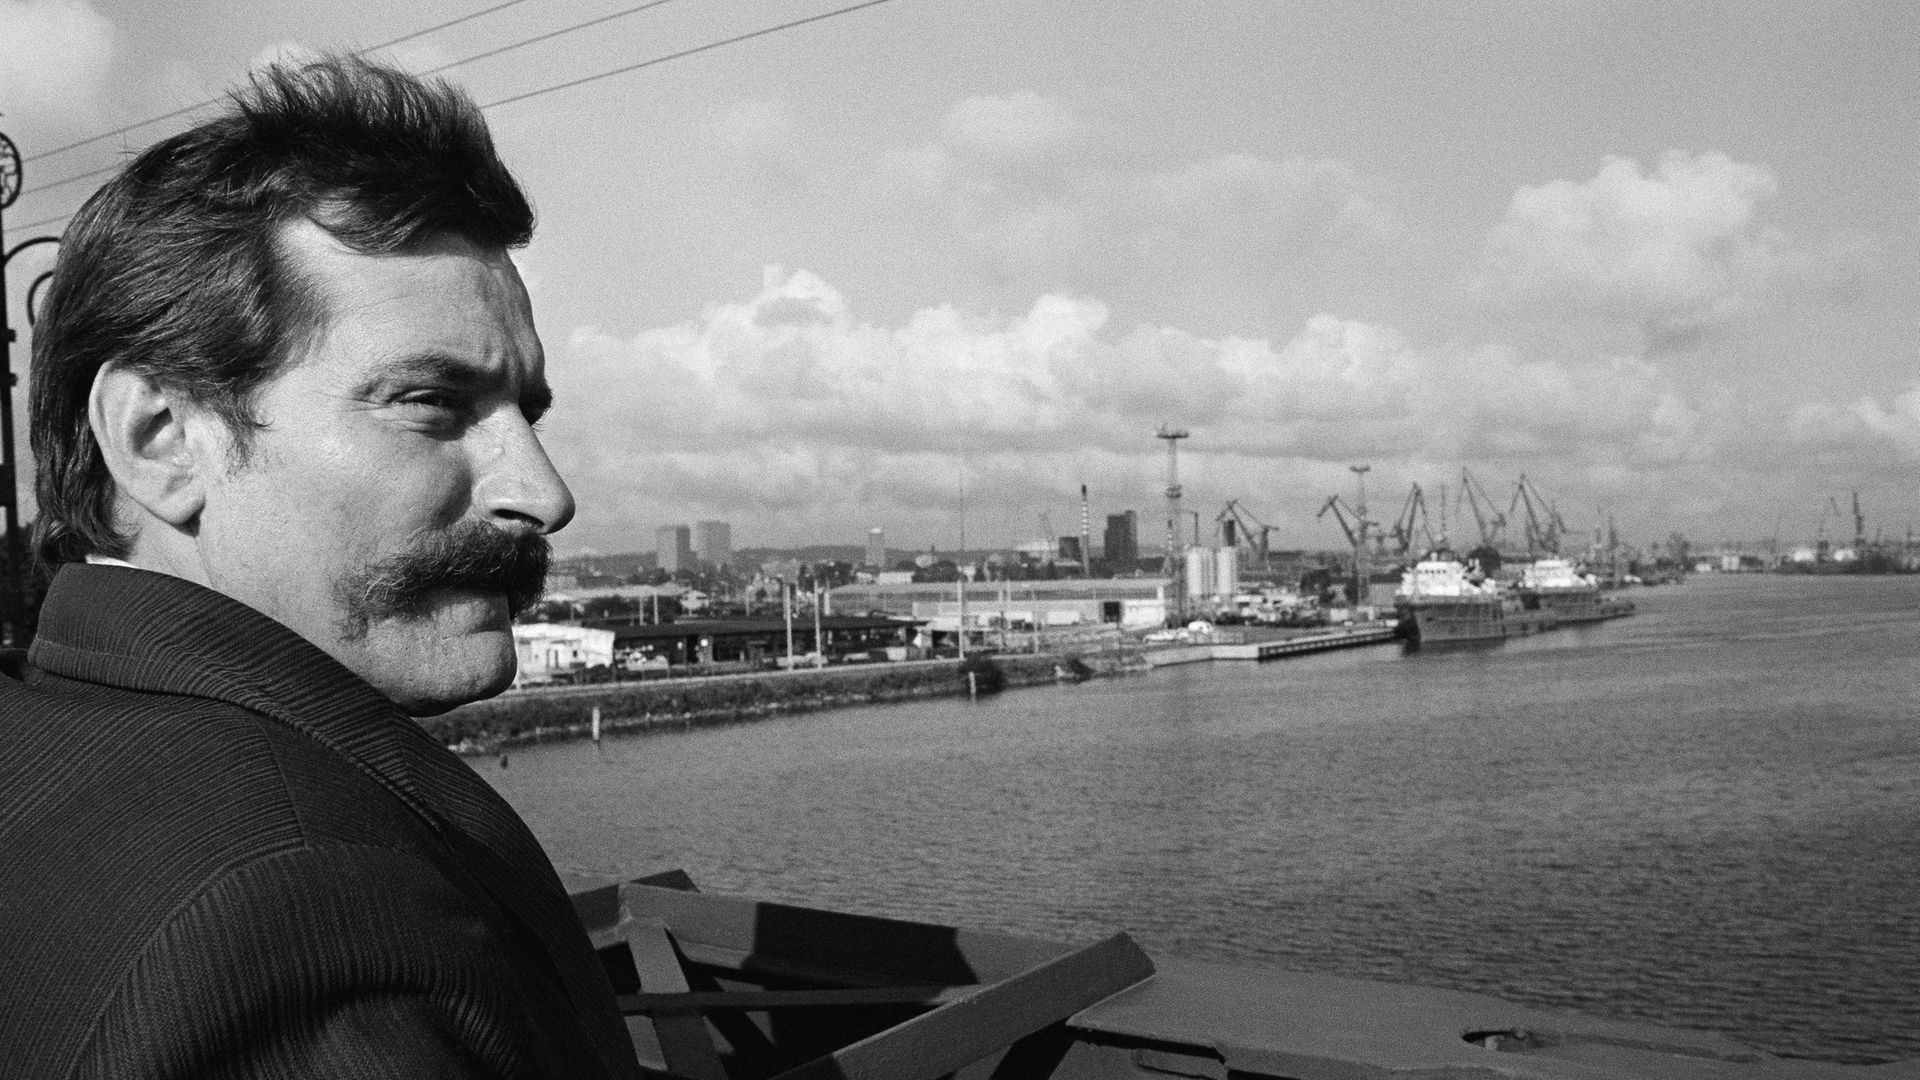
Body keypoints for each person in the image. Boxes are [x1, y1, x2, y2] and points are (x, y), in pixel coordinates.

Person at [0, 56, 644, 1078]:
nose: (544, 491)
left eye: (529, 412)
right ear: (162, 436)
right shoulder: (311, 914)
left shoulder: (42, 755)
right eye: (431, 402)